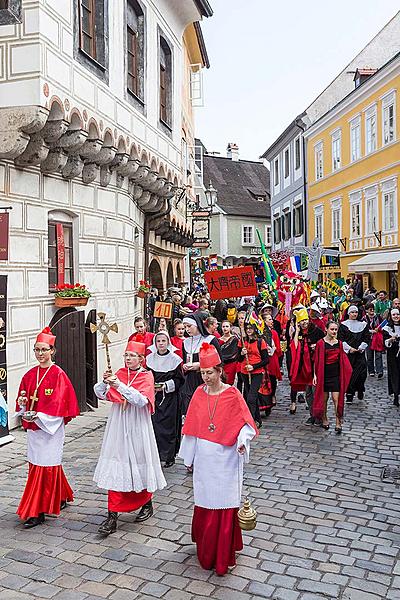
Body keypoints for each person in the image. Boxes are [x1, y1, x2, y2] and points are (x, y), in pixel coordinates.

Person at [179, 342, 257, 576]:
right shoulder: (198, 395)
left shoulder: (232, 394)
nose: (206, 377)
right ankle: (206, 546)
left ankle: (224, 551)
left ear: (219, 371)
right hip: (204, 456)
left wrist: (242, 441)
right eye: (203, 373)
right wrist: (188, 457)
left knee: (224, 500)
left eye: (210, 373)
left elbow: (246, 424)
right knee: (205, 498)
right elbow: (192, 428)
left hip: (226, 457)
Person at [93, 341, 166, 536]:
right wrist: (105, 381)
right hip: (118, 424)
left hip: (137, 425)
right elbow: (100, 394)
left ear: (141, 359)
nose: (127, 359)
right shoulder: (120, 372)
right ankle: (112, 516)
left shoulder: (146, 375)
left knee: (139, 463)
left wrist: (119, 385)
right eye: (126, 355)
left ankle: (146, 502)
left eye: (132, 356)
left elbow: (141, 401)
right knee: (117, 464)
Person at [15, 327, 80, 528]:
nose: (40, 354)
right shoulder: (29, 374)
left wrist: (40, 416)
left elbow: (59, 405)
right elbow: (22, 400)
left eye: (44, 349)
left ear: (52, 350)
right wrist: (23, 402)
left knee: (45, 466)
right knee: (38, 464)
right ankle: (60, 495)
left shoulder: (58, 375)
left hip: (50, 429)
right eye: (37, 350)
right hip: (35, 429)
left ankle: (38, 510)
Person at [147, 332, 184, 468]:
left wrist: (166, 386)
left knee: (169, 427)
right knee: (154, 426)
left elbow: (180, 380)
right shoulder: (150, 359)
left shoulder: (175, 360)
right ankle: (156, 454)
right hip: (154, 397)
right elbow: (147, 376)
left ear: (168, 342)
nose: (161, 343)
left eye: (163, 341)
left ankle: (169, 456)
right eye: (158, 341)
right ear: (155, 343)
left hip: (170, 398)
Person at [312, 321, 352, 434]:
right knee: (324, 399)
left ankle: (338, 421)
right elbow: (316, 360)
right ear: (326, 329)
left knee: (336, 399)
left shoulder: (339, 343)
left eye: (335, 329)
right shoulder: (320, 343)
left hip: (335, 375)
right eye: (332, 329)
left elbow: (342, 359)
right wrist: (315, 375)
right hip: (323, 374)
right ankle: (324, 418)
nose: (334, 331)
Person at [179, 313, 222, 419]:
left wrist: (200, 365)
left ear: (197, 325)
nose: (187, 329)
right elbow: (185, 360)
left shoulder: (211, 340)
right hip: (190, 379)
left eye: (189, 326)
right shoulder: (186, 342)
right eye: (185, 327)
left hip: (206, 379)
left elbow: (219, 361)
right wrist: (185, 366)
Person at [288, 308, 324, 417]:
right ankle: (312, 414)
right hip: (303, 365)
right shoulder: (297, 332)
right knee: (308, 391)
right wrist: (297, 331)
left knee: (315, 390)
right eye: (301, 321)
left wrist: (317, 346)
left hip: (314, 365)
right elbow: (294, 346)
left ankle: (319, 414)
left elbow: (324, 342)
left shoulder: (316, 331)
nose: (304, 323)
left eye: (305, 320)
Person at [237, 323, 268, 427]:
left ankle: (251, 421)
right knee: (251, 397)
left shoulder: (260, 341)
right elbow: (238, 359)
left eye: (251, 328)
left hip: (256, 373)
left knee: (251, 397)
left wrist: (254, 366)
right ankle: (258, 419)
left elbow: (266, 360)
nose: (249, 330)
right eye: (247, 328)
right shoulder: (242, 341)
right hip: (244, 372)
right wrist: (241, 353)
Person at [338, 306, 370, 403]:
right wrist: (349, 349)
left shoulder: (363, 325)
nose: (354, 314)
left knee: (362, 373)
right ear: (348, 313)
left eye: (356, 312)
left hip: (360, 353)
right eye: (352, 312)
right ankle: (349, 394)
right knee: (350, 374)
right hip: (349, 354)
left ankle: (360, 389)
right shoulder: (343, 325)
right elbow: (340, 339)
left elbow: (366, 337)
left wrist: (361, 347)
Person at [263, 313, 282, 407]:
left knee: (273, 378)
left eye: (271, 319)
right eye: (269, 319)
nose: (271, 321)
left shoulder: (274, 333)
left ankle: (273, 394)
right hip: (264, 358)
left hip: (273, 358)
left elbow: (278, 348)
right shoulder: (261, 333)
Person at [383, 308, 400, 406]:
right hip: (393, 355)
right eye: (394, 315)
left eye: (397, 314)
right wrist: (390, 340)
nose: (396, 316)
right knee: (394, 374)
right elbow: (384, 342)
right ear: (391, 316)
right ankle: (396, 395)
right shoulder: (387, 328)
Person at [364, 303, 384, 379]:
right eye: (370, 308)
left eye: (372, 308)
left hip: (377, 338)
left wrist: (378, 329)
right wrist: (371, 331)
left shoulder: (378, 316)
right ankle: (371, 371)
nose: (371, 310)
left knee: (378, 355)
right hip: (369, 339)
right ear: (367, 310)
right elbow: (363, 328)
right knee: (370, 355)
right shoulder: (364, 318)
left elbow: (383, 325)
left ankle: (380, 371)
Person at [218, 320, 239, 385]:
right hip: (221, 364)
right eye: (223, 326)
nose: (225, 328)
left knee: (229, 382)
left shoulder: (234, 339)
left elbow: (235, 352)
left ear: (230, 327)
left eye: (227, 326)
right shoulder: (218, 340)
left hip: (231, 364)